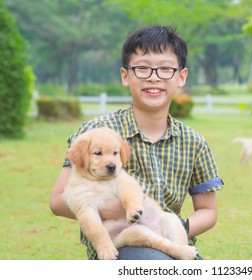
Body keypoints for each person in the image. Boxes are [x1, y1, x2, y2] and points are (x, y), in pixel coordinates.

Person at [49, 25, 224, 260]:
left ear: (181, 76)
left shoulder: (194, 143)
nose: (153, 77)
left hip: (172, 240)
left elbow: (208, 211)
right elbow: (58, 200)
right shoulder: (96, 133)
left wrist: (170, 228)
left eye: (165, 69)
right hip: (118, 247)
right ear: (125, 75)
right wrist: (107, 209)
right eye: (142, 68)